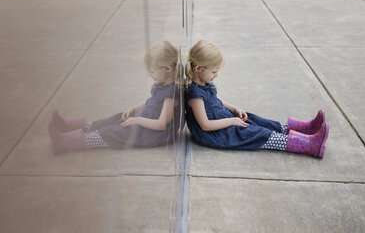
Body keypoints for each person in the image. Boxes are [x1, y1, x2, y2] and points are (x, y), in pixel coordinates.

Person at [185, 40, 329, 158]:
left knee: (256, 120)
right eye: (214, 72)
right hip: (218, 134)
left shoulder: (204, 83)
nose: (216, 75)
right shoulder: (195, 95)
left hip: (225, 121)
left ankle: (304, 129)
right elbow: (205, 125)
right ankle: (310, 145)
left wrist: (234, 109)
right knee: (259, 134)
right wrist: (232, 121)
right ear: (199, 68)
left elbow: (214, 101)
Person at [48, 41, 180, 154]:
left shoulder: (171, 94)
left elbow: (162, 124)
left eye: (152, 71)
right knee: (116, 119)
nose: (151, 75)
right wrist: (133, 109)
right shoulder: (164, 83)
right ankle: (70, 127)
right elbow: (152, 101)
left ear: (167, 68)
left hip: (152, 134)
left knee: (112, 133)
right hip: (146, 120)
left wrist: (137, 120)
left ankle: (65, 142)